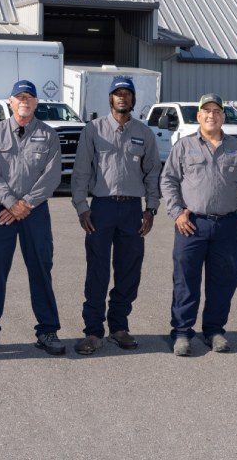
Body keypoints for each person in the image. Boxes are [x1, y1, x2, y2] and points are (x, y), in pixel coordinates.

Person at [0, 80, 65, 356]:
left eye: (29, 97)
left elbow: (52, 176)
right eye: (19, 97)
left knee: (41, 270)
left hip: (35, 212)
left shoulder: (48, 135)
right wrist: (10, 203)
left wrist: (25, 204)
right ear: (10, 102)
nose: (24, 101)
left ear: (36, 102)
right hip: (1, 211)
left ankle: (47, 330)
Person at [71, 75, 160, 355]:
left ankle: (119, 327)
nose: (122, 97)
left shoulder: (144, 133)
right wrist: (82, 207)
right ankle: (93, 331)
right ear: (110, 98)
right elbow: (81, 171)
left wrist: (151, 208)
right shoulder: (93, 130)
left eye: (127, 93)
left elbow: (153, 173)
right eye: (117, 93)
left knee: (129, 269)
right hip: (102, 208)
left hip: (132, 209)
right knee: (97, 270)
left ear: (134, 99)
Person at [160, 93, 237, 356]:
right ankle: (181, 332)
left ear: (223, 116)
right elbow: (168, 180)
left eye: (216, 111)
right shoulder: (184, 146)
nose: (211, 115)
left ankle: (214, 330)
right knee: (185, 280)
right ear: (199, 116)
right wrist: (177, 212)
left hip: (226, 226)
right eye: (206, 111)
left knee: (223, 281)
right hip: (191, 225)